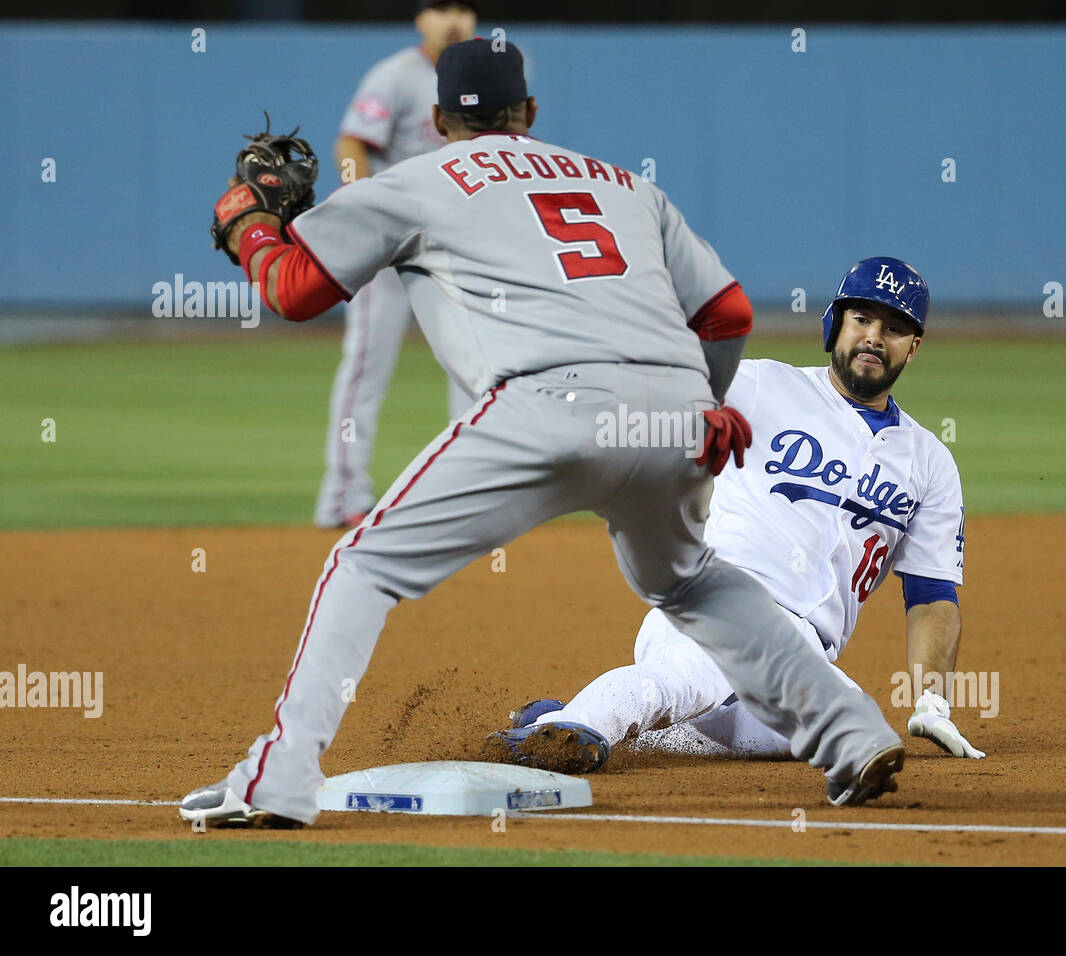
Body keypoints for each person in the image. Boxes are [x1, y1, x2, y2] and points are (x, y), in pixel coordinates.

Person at [182, 39, 906, 829]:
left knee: (363, 566)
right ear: (529, 113)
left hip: (542, 405)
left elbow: (295, 291)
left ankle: (279, 781)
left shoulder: (417, 178)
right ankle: (850, 732)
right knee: (691, 581)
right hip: (671, 415)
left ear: (436, 121)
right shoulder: (626, 185)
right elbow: (728, 312)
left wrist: (249, 226)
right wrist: (708, 400)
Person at [487, 258, 985, 769]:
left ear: (913, 346)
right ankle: (566, 731)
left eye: (895, 328)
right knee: (683, 679)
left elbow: (932, 595)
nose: (875, 337)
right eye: (862, 319)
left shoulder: (930, 462)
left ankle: (565, 714)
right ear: (836, 323)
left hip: (798, 652)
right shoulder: (759, 386)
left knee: (858, 732)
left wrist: (932, 699)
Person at [315, 0, 478, 530]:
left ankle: (471, 490)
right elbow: (351, 143)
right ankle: (344, 495)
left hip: (452, 245)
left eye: (463, 9)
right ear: (418, 20)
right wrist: (363, 210)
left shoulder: (480, 77)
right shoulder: (395, 76)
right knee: (366, 365)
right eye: (439, 8)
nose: (452, 19)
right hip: (390, 244)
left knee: (474, 366)